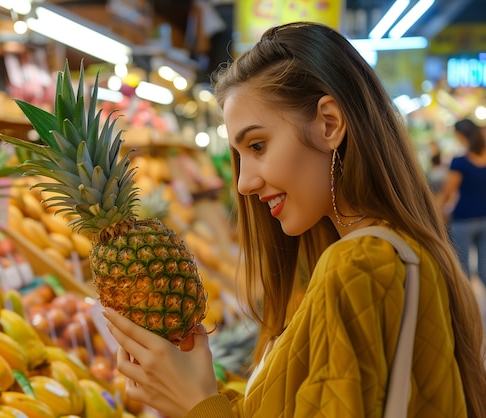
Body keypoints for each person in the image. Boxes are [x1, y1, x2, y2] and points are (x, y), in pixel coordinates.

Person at [103, 22, 486, 417]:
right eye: (240, 155)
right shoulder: (396, 253)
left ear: (329, 124)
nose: (244, 183)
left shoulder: (359, 264)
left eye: (258, 145)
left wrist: (198, 404)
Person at [439, 118, 486, 289]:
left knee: (462, 270)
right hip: (484, 217)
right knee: (484, 269)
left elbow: (448, 192)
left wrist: (440, 212)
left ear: (460, 135)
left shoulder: (460, 162)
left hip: (463, 219)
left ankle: (467, 312)